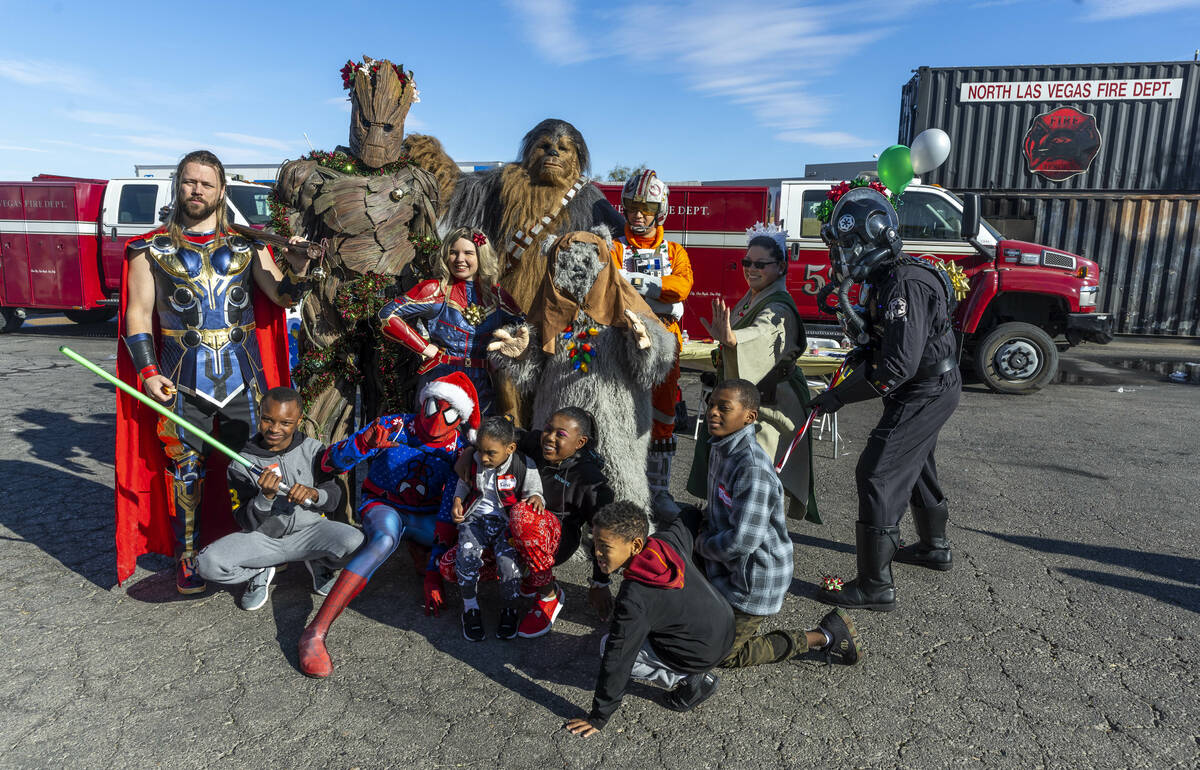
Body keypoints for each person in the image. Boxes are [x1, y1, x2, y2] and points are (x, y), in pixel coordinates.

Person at [117, 149, 307, 592]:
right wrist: (147, 372)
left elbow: (281, 297)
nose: (197, 189)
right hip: (179, 375)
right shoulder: (148, 250)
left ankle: (259, 551)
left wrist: (298, 269)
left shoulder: (249, 245)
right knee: (185, 467)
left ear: (221, 190)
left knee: (257, 462)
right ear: (177, 186)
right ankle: (188, 557)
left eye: (206, 183)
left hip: (246, 375)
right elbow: (139, 315)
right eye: (189, 181)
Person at [810, 186, 961, 612]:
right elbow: (887, 343)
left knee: (877, 472)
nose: (844, 256)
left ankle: (875, 586)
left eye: (851, 245)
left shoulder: (904, 284)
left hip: (925, 389)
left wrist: (838, 397)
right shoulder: (889, 278)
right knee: (915, 465)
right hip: (929, 386)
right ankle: (934, 548)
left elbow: (896, 367)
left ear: (876, 236)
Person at [296, 372, 478, 677]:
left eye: (449, 411)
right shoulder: (393, 426)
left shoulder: (461, 449)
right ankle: (315, 631)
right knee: (384, 539)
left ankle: (418, 547)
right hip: (385, 505)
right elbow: (328, 463)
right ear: (424, 400)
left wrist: (433, 576)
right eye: (434, 406)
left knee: (462, 540)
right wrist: (363, 444)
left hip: (427, 517)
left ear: (460, 417)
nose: (438, 417)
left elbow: (447, 517)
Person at [687, 379, 861, 668]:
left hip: (751, 580)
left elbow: (742, 541)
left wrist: (699, 543)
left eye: (724, 407)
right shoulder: (721, 447)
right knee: (697, 627)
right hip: (725, 567)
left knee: (722, 655)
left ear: (749, 417)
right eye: (710, 404)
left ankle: (823, 635)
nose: (712, 412)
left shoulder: (751, 469)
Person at [564, 501, 735, 738]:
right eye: (595, 544)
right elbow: (685, 522)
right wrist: (695, 510)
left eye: (605, 547)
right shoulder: (665, 542)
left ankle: (690, 678)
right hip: (725, 627)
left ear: (634, 545)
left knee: (606, 646)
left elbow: (619, 658)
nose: (597, 554)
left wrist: (599, 716)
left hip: (700, 654)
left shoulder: (634, 598)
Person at [689, 223, 818, 523]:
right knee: (739, 474)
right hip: (755, 397)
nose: (751, 269)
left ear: (781, 266)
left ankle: (756, 544)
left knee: (759, 475)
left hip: (773, 405)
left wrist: (733, 341)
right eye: (747, 262)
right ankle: (733, 528)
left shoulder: (779, 307)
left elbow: (763, 333)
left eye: (761, 264)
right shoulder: (755, 296)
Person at [450, 406, 616, 638]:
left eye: (561, 435)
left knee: (522, 515)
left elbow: (604, 534)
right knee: (453, 563)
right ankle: (526, 576)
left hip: (554, 538)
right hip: (511, 528)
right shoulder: (533, 443)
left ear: (580, 443)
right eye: (548, 429)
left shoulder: (589, 479)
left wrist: (600, 582)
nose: (549, 437)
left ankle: (548, 594)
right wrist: (469, 452)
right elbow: (497, 436)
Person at [194, 387, 363, 610]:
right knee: (206, 564)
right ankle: (259, 569)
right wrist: (265, 498)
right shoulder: (241, 462)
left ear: (299, 420)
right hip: (263, 539)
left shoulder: (313, 449)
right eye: (267, 420)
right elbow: (244, 521)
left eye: (285, 423)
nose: (274, 429)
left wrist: (314, 493)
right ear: (259, 413)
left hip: (311, 532)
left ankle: (319, 562)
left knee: (359, 543)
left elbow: (332, 498)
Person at [379, 226, 523, 414]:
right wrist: (424, 347)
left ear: (482, 255)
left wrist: (510, 348)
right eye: (453, 252)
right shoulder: (435, 290)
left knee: (482, 440)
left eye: (468, 253)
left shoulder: (498, 296)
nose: (460, 259)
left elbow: (523, 327)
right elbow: (387, 315)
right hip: (442, 379)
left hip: (485, 384)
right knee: (438, 438)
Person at [613, 170, 693, 499]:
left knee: (663, 413)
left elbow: (683, 286)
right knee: (621, 409)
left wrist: (645, 285)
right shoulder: (615, 248)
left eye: (645, 207)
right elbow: (611, 288)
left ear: (660, 210)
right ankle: (622, 488)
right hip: (624, 338)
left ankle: (659, 492)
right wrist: (664, 299)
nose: (638, 214)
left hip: (665, 342)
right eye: (632, 206)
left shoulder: (674, 251)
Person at [450, 416, 544, 641]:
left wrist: (537, 498)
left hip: (507, 524)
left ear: (510, 448)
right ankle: (470, 607)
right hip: (476, 521)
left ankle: (510, 608)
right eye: (480, 450)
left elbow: (535, 491)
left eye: (490, 453)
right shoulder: (473, 460)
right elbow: (463, 484)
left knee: (508, 565)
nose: (483, 457)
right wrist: (457, 502)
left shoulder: (523, 464)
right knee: (466, 556)